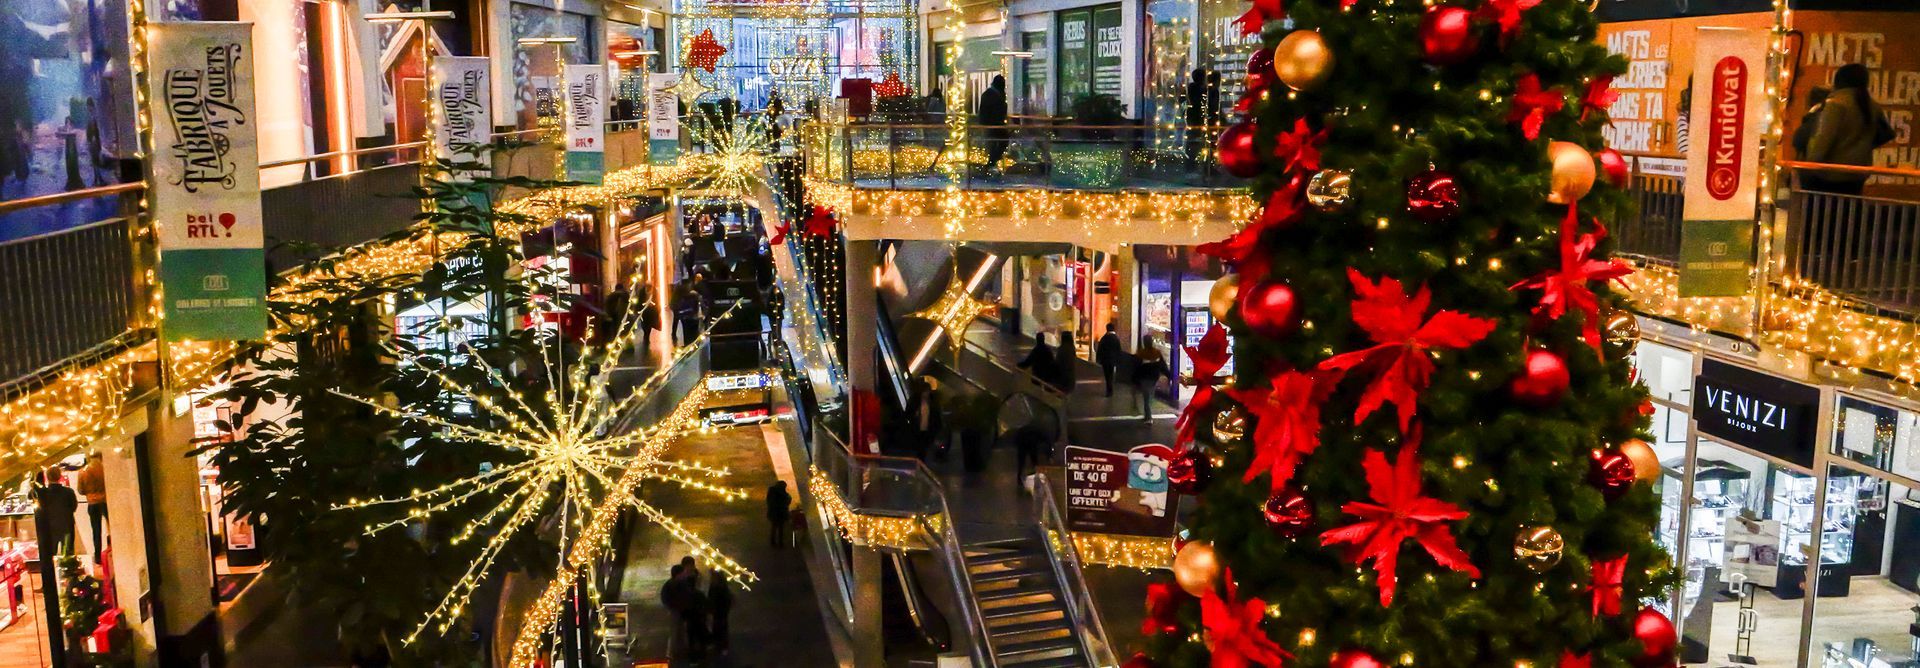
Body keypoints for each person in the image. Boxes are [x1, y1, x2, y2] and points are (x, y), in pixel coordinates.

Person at [1805, 63, 1892, 196]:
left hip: (1831, 174)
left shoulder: (1835, 104)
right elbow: (1885, 133)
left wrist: (1808, 165)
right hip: (1858, 173)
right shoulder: (1872, 106)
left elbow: (1822, 141)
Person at [34, 468, 77, 556]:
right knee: (68, 554)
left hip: (50, 527)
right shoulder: (68, 492)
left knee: (50, 554)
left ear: (47, 477)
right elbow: (73, 507)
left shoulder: (44, 493)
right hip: (67, 524)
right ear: (59, 476)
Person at [1132, 338, 1170, 421]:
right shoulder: (1157, 353)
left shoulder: (1141, 353)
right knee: (1149, 396)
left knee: (1146, 397)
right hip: (1154, 377)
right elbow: (1162, 365)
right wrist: (1168, 375)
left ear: (1144, 343)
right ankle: (1147, 415)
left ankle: (1148, 417)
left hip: (1144, 378)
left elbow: (1136, 367)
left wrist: (1134, 379)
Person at [978, 75, 1010, 170]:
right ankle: (992, 162)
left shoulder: (989, 94)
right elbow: (998, 110)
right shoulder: (996, 95)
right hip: (994, 124)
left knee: (994, 144)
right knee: (1001, 142)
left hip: (989, 124)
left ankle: (992, 161)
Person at [78, 454, 106, 560]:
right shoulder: (105, 467)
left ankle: (98, 555)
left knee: (96, 529)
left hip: (92, 502)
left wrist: (90, 493)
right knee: (111, 527)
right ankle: (112, 550)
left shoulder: (83, 471)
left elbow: (80, 490)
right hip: (105, 500)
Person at [1096, 324, 1124, 397]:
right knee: (1111, 375)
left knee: (1107, 375)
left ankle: (1109, 390)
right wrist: (1119, 360)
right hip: (1113, 360)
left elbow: (1100, 349)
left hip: (1105, 360)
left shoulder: (1104, 338)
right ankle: (1110, 389)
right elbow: (1119, 350)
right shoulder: (1116, 339)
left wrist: (1098, 359)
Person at [707, 576, 734, 654]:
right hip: (720, 612)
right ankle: (721, 646)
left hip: (719, 611)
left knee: (719, 628)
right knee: (720, 628)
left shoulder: (717, 588)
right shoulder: (721, 588)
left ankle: (720, 645)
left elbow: (711, 598)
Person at [766, 481, 793, 548]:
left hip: (773, 513)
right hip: (780, 513)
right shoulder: (783, 494)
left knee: (774, 527)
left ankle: (773, 542)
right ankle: (780, 542)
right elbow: (787, 501)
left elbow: (769, 501)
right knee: (780, 528)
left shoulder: (772, 491)